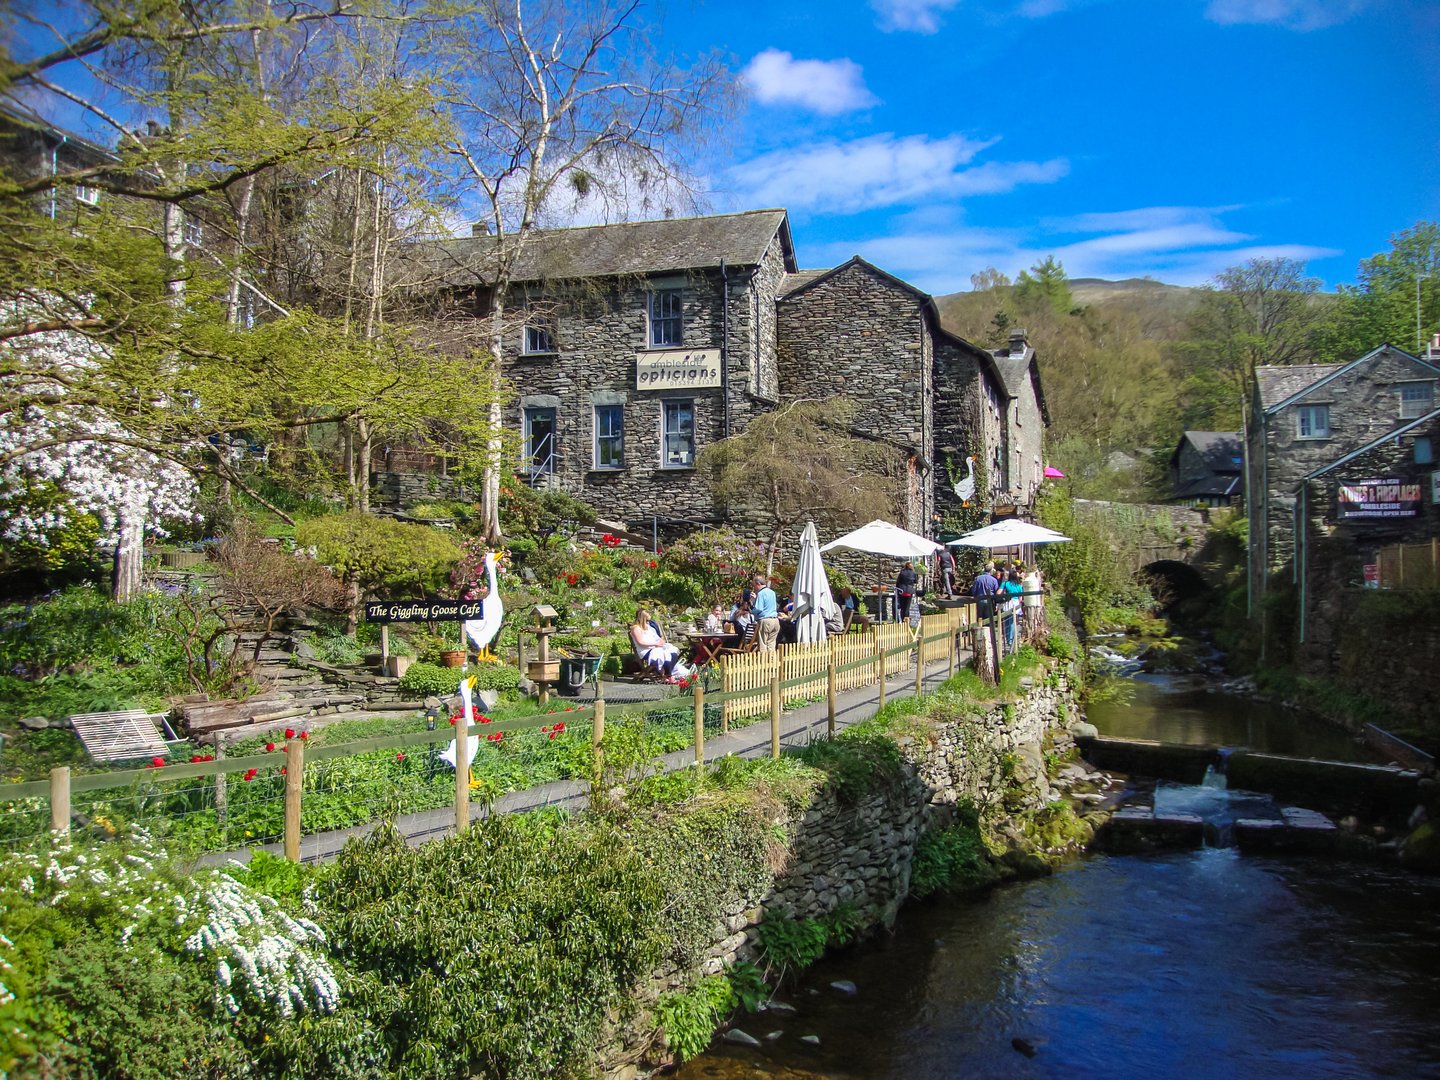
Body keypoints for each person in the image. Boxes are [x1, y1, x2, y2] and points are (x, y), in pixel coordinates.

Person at [630, 608, 687, 679]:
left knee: (673, 651)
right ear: (643, 617)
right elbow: (640, 642)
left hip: (655, 647)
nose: (649, 618)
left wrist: (661, 641)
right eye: (648, 615)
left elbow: (657, 637)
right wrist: (655, 644)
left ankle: (667, 674)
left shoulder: (649, 627)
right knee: (663, 653)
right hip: (645, 650)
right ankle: (667, 676)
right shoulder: (636, 628)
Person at [752, 574, 780, 652]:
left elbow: (759, 609)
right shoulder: (772, 592)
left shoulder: (760, 594)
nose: (754, 588)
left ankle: (763, 662)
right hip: (775, 621)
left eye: (754, 586)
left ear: (758, 584)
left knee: (763, 645)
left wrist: (752, 611)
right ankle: (772, 662)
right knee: (771, 645)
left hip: (765, 621)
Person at [1000, 569, 1024, 651]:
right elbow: (1020, 598)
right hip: (1016, 603)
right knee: (1013, 622)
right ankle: (1011, 640)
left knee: (1006, 621)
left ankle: (1007, 638)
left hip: (1008, 603)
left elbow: (998, 593)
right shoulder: (1019, 586)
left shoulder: (1005, 583)